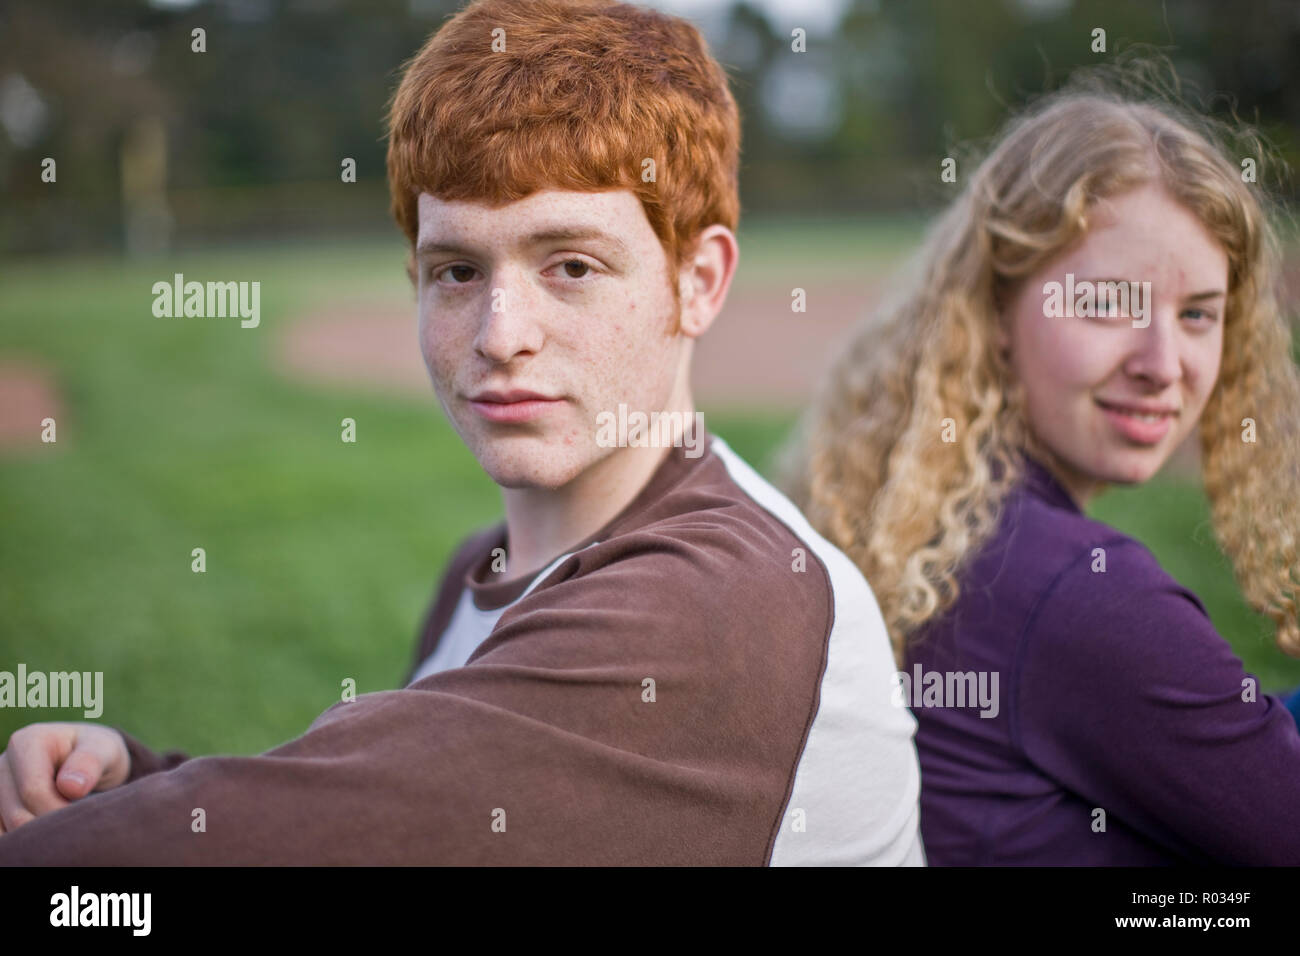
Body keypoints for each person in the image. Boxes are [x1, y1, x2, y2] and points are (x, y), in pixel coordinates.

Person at [0, 0, 923, 865]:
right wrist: (128, 784)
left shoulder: (718, 603)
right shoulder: (484, 569)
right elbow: (360, 804)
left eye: (570, 264)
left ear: (699, 281)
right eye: (456, 271)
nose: (499, 334)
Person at [779, 60, 1300, 864]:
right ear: (993, 309)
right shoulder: (1083, 592)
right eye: (1106, 304)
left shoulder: (929, 523)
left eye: (1199, 313)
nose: (1163, 362)